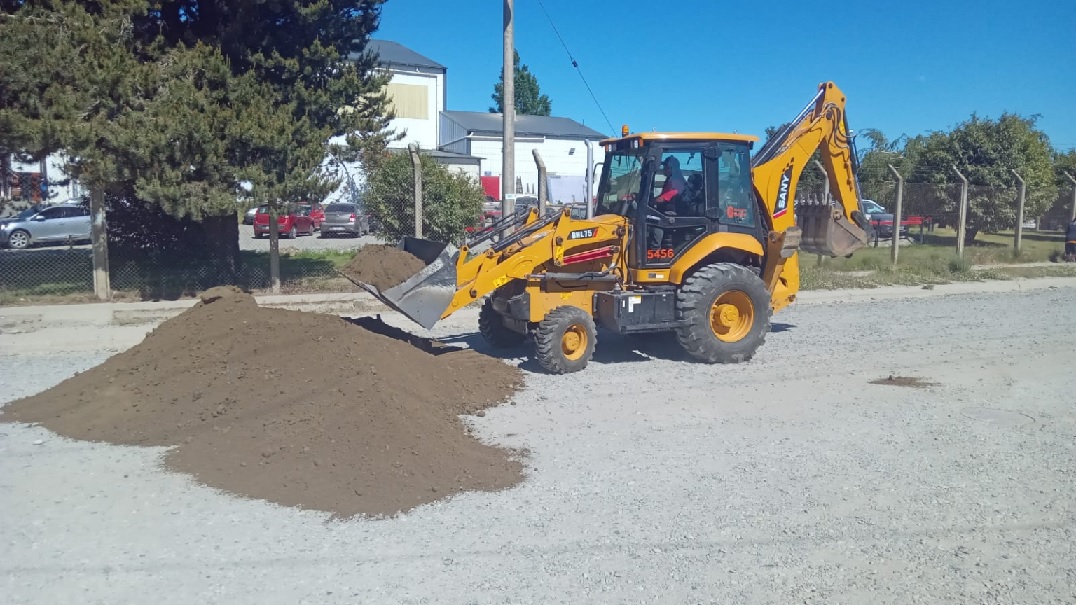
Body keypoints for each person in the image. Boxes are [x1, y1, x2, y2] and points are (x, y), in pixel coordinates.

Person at [649, 156, 687, 249]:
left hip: (672, 214)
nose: (663, 169)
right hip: (666, 212)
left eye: (665, 167)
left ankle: (654, 250)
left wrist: (651, 201)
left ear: (670, 168)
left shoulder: (677, 181)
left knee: (655, 224)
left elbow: (666, 197)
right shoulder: (670, 180)